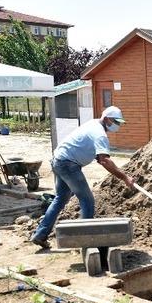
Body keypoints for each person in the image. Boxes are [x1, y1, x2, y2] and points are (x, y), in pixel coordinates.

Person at [30, 106, 134, 249]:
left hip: (59, 160)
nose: (118, 125)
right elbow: (105, 160)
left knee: (61, 198)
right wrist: (125, 178)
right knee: (87, 200)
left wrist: (100, 158)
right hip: (68, 164)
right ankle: (85, 241)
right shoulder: (100, 134)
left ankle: (40, 235)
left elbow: (97, 155)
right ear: (107, 119)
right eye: (116, 122)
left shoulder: (93, 124)